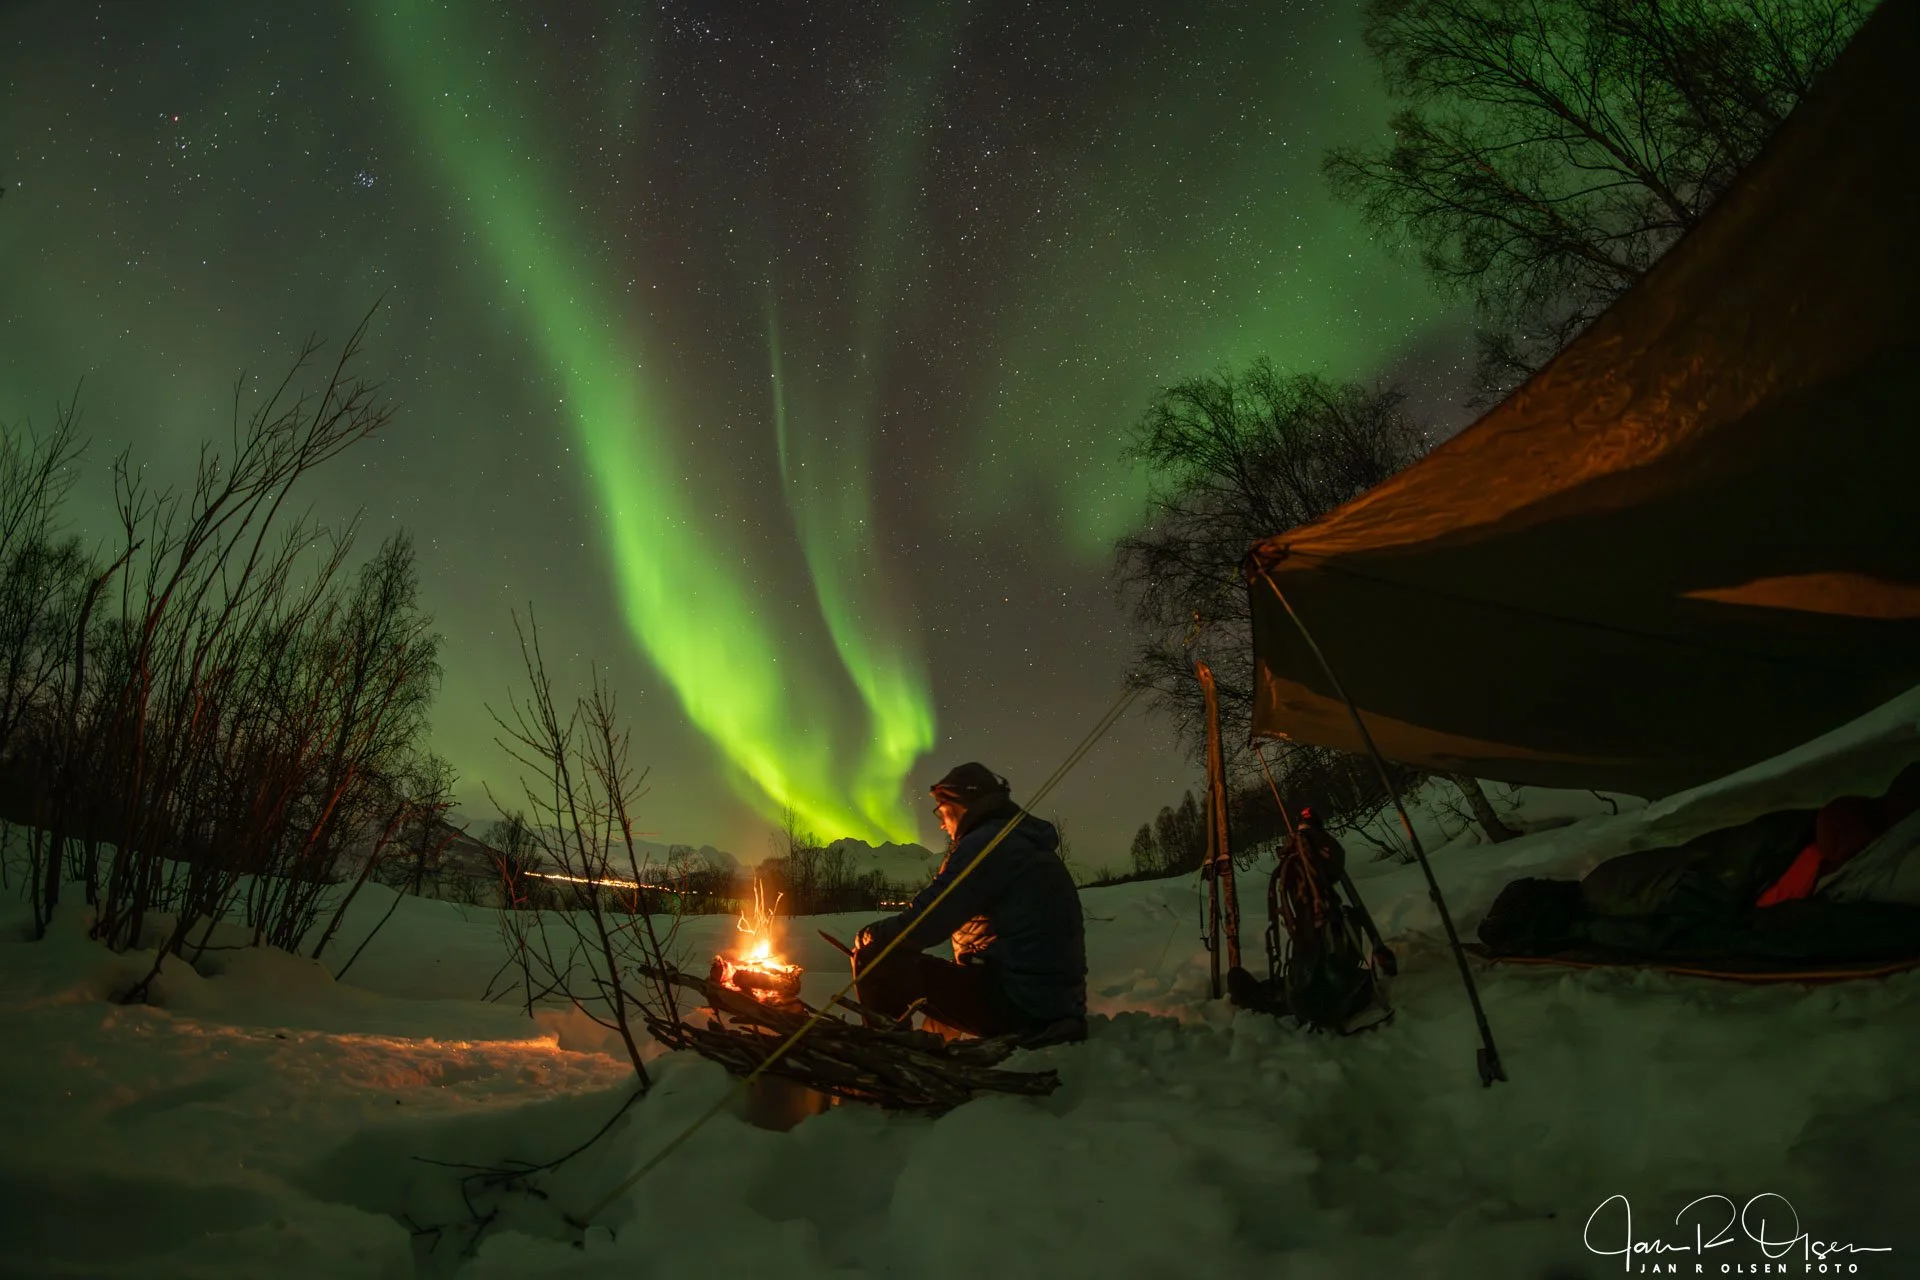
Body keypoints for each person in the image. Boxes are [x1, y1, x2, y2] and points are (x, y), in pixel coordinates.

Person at [850, 762, 1087, 1042]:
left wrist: (872, 936)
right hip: (1051, 1002)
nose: (940, 822)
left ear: (960, 804)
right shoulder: (1018, 841)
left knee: (877, 959)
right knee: (953, 973)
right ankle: (928, 1049)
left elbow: (931, 917)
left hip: (1021, 1005)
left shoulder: (986, 845)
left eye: (941, 809)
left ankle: (890, 1062)